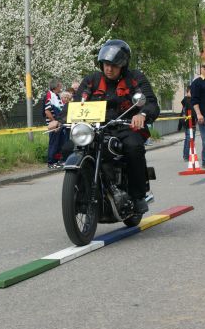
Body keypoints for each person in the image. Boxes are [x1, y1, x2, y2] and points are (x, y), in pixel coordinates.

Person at [49, 39, 160, 214]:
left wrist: (142, 114)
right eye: (106, 64)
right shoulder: (92, 80)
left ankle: (138, 195)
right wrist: (59, 120)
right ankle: (83, 193)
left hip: (126, 126)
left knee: (133, 147)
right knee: (69, 148)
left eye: (114, 65)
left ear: (123, 65)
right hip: (95, 128)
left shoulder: (135, 78)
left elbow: (151, 102)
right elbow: (77, 103)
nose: (109, 69)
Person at [44, 79, 64, 168]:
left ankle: (57, 161)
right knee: (53, 143)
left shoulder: (57, 96)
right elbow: (47, 111)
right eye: (60, 85)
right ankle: (51, 162)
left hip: (59, 124)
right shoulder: (49, 95)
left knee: (59, 143)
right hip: (54, 124)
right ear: (56, 86)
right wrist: (54, 121)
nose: (61, 87)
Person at [180, 87, 196, 161]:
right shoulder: (187, 100)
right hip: (188, 123)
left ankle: (189, 155)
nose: (192, 93)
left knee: (191, 139)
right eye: (191, 92)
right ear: (187, 92)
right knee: (189, 139)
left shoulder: (190, 100)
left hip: (192, 122)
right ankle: (186, 156)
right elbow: (192, 110)